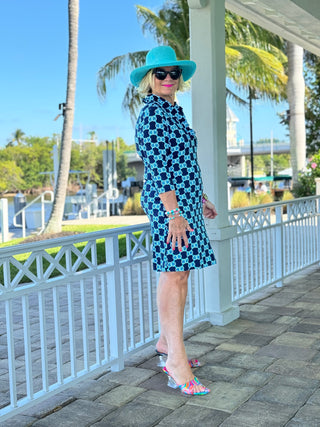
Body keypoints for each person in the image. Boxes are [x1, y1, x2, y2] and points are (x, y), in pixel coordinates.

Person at [130, 46, 217, 396]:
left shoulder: (174, 112)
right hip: (170, 208)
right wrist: (173, 213)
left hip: (185, 204)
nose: (168, 79)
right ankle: (176, 362)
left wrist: (201, 198)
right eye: (161, 74)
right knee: (175, 274)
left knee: (181, 273)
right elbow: (158, 168)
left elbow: (184, 165)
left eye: (174, 73)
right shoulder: (151, 114)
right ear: (150, 80)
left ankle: (167, 344)